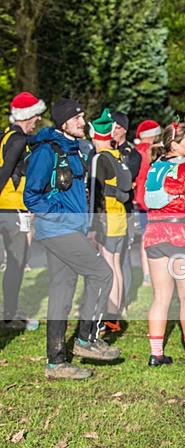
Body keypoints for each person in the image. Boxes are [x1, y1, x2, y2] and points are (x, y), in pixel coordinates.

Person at [24, 98, 120, 380]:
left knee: (62, 291)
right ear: (63, 122)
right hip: (57, 229)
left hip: (70, 229)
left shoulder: (75, 149)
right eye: (77, 118)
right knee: (102, 273)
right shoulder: (47, 151)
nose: (83, 122)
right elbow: (31, 195)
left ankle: (55, 364)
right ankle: (86, 339)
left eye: (82, 116)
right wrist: (60, 216)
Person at [143, 122, 185, 367]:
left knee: (160, 298)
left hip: (154, 232)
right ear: (174, 143)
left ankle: (155, 354)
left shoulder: (155, 166)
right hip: (179, 231)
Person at [0, 92, 44, 330]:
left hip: (8, 208)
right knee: (16, 261)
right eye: (36, 115)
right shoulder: (18, 140)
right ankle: (10, 315)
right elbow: (5, 172)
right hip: (12, 209)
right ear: (28, 116)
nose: (38, 119)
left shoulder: (5, 135)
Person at [88, 109, 132, 335]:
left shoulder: (99, 158)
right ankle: (114, 317)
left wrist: (92, 227)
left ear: (95, 135)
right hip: (120, 219)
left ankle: (107, 317)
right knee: (116, 266)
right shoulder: (117, 155)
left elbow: (96, 193)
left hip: (106, 221)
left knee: (107, 268)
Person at [110, 111, 141, 318]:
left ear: (122, 128)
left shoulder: (132, 153)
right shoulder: (102, 150)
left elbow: (126, 181)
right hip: (104, 211)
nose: (110, 130)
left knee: (122, 257)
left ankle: (122, 302)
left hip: (125, 210)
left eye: (113, 126)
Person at [134, 120, 162, 287]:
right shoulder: (151, 153)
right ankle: (154, 272)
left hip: (138, 200)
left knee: (145, 236)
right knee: (154, 236)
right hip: (151, 201)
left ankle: (146, 274)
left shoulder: (135, 151)